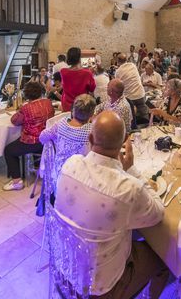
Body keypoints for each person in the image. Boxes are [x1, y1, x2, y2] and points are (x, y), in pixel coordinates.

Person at [55, 111, 168, 297]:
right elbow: (158, 213)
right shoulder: (128, 188)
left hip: (66, 266)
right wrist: (131, 169)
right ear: (124, 139)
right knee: (165, 257)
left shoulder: (70, 164)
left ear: (90, 138)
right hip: (102, 288)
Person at [2, 81, 55, 191]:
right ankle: (37, 166)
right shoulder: (48, 102)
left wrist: (19, 111)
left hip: (33, 141)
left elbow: (15, 121)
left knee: (8, 150)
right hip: (47, 140)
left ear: (26, 95)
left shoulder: (26, 108)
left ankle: (17, 181)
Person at [40, 94, 96, 187]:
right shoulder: (92, 131)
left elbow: (42, 137)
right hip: (80, 182)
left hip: (58, 178)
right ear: (91, 115)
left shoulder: (61, 124)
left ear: (73, 110)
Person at [114, 53, 149, 124]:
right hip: (140, 93)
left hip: (129, 96)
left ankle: (133, 130)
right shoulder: (133, 65)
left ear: (117, 61)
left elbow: (118, 85)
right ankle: (147, 127)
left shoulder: (118, 71)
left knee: (131, 117)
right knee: (144, 115)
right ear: (126, 59)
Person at [60, 47, 96, 112]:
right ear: (79, 58)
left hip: (66, 105)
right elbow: (92, 89)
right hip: (81, 106)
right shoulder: (87, 73)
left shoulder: (63, 72)